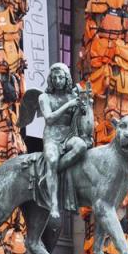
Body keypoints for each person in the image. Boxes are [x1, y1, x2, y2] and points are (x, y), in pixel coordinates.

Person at [38, 63, 88, 219]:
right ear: (50, 80)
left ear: (67, 79)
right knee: (51, 159)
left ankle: (52, 173)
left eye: (61, 77)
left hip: (69, 135)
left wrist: (84, 108)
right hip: (52, 136)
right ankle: (54, 204)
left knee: (81, 146)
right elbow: (50, 119)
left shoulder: (72, 96)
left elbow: (80, 119)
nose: (58, 80)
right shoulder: (44, 97)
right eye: (55, 78)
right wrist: (69, 105)